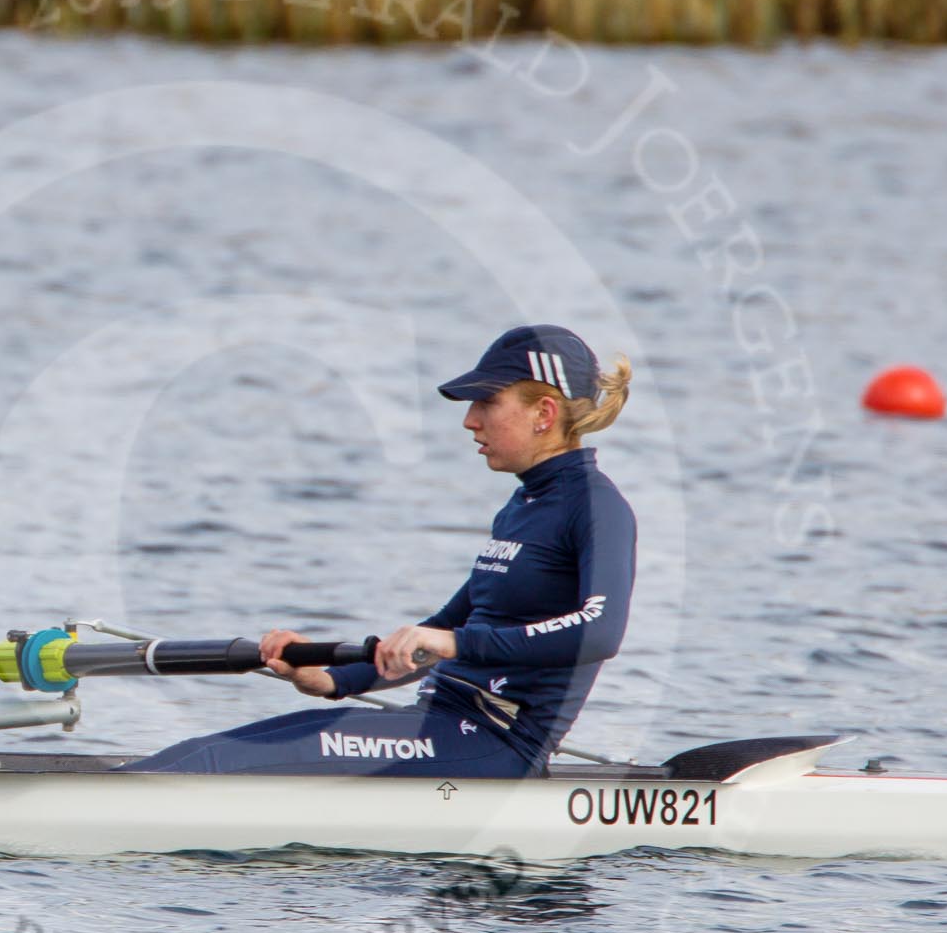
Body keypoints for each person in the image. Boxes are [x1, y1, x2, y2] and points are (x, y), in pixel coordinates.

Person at [135, 325, 635, 778]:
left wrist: (453, 645)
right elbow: (441, 629)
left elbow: (599, 630)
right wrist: (331, 679)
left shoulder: (597, 507)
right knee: (207, 749)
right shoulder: (523, 506)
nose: (469, 421)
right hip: (439, 725)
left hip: (495, 744)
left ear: (543, 414)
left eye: (486, 403)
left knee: (218, 763)